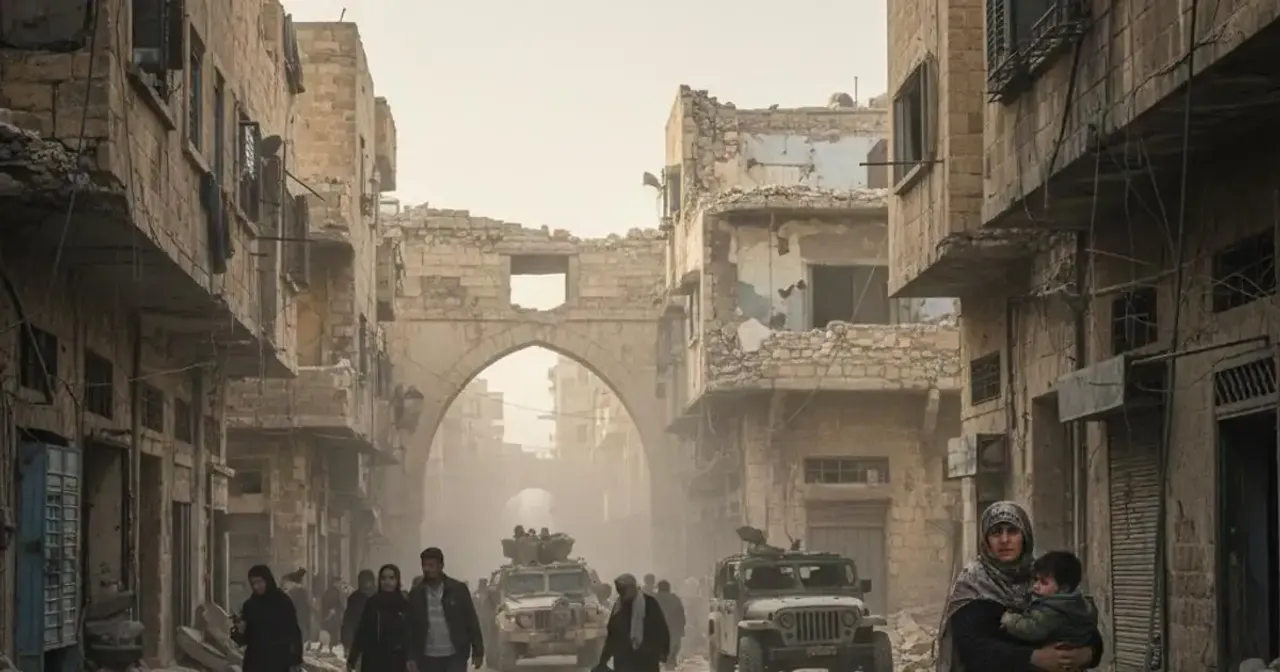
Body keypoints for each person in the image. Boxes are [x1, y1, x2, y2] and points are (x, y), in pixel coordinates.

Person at [936, 501, 1105, 672]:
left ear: (1025, 535)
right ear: (986, 540)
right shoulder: (973, 583)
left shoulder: (1045, 575)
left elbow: (1082, 624)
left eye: (1012, 531)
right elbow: (971, 648)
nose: (1004, 540)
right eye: (995, 532)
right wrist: (1033, 657)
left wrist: (1088, 653)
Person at [407, 547, 485, 672]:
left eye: (431, 565)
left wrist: (478, 651)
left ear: (441, 566)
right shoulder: (416, 594)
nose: (427, 569)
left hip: (455, 654)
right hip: (427, 657)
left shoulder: (458, 590)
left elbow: (471, 620)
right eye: (424, 565)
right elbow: (411, 628)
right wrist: (411, 657)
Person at [1001, 551, 1099, 646]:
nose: (1036, 586)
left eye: (1044, 582)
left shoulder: (1056, 609)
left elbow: (1032, 629)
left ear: (1064, 589)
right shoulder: (1077, 603)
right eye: (1036, 580)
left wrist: (1009, 619)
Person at [232, 565, 304, 672]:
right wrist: (240, 631)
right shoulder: (250, 605)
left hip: (279, 662)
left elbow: (294, 632)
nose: (256, 586)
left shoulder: (282, 602)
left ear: (267, 580)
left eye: (259, 582)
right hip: (255, 663)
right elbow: (244, 640)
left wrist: (295, 660)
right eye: (253, 583)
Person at [596, 574, 669, 672]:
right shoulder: (618, 607)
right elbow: (612, 634)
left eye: (623, 589)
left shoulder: (649, 603)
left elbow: (661, 629)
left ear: (631, 587)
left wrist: (663, 652)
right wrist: (604, 658)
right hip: (624, 659)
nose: (621, 593)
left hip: (646, 658)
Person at [347, 565, 412, 672]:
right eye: (383, 578)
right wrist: (353, 657)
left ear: (397, 580)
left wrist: (412, 659)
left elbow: (410, 635)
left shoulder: (404, 605)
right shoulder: (372, 603)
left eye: (391, 578)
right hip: (374, 660)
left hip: (397, 661)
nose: (387, 582)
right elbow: (362, 631)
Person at [342, 570, 377, 652]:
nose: (366, 584)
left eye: (368, 581)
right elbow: (348, 620)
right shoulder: (354, 598)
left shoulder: (379, 596)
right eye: (363, 581)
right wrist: (347, 640)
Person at [653, 581, 685, 670]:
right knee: (672, 654)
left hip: (657, 632)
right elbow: (681, 615)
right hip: (673, 631)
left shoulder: (654, 598)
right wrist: (681, 630)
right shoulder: (675, 598)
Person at [281, 569, 313, 647]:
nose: (284, 585)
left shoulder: (295, 592)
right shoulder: (298, 591)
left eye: (286, 583)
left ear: (291, 583)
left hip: (298, 617)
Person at [320, 576, 345, 653]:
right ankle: (330, 650)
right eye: (339, 583)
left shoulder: (329, 591)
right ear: (335, 583)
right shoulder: (334, 592)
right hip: (332, 618)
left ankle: (326, 649)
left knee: (329, 635)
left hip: (329, 617)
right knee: (332, 636)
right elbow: (336, 605)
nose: (340, 584)